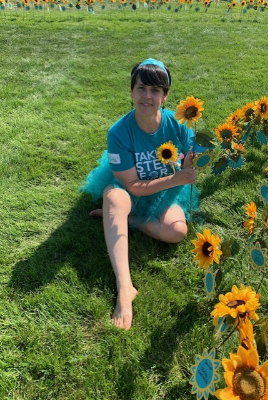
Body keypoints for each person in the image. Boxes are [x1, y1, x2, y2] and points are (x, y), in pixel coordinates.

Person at [81, 58, 200, 330]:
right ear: (132, 91)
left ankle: (127, 221)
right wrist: (175, 177)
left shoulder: (178, 123)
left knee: (177, 232)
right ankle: (125, 288)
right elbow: (133, 186)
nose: (147, 96)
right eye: (141, 88)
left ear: (165, 96)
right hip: (132, 187)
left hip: (167, 188)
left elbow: (196, 154)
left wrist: (195, 159)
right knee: (114, 197)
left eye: (155, 90)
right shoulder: (119, 132)